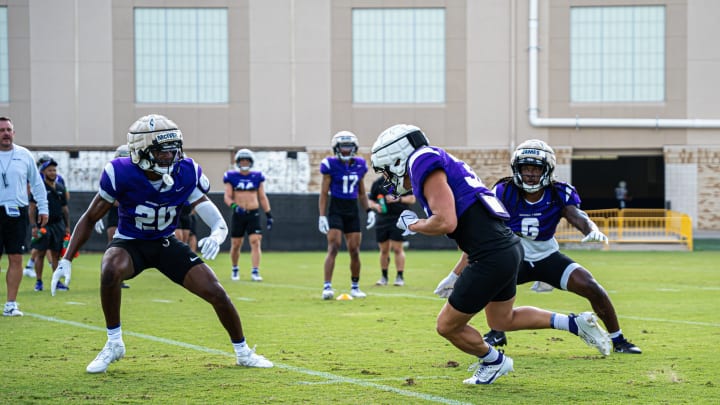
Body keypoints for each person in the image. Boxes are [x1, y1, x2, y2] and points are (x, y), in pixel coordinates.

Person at [370, 124, 612, 385]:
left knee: (447, 326)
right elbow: (469, 223)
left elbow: (446, 222)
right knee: (502, 319)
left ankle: (494, 361)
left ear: (396, 157)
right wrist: (455, 273)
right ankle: (575, 323)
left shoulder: (421, 161)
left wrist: (412, 224)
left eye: (385, 169)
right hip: (506, 248)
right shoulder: (436, 159)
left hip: (490, 256)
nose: (386, 176)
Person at [52, 114, 273, 373]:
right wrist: (66, 259)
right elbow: (89, 217)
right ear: (141, 151)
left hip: (166, 243)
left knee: (216, 292)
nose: (171, 156)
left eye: (173, 150)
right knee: (110, 268)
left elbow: (214, 217)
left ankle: (243, 352)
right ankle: (113, 343)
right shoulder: (121, 172)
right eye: (163, 151)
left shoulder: (186, 171)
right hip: (130, 243)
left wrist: (216, 234)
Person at [479, 140, 641, 354]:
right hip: (514, 256)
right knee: (490, 282)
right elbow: (490, 223)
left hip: (547, 256)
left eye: (535, 168)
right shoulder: (503, 190)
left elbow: (576, 215)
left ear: (547, 170)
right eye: (525, 168)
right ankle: (497, 329)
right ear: (516, 169)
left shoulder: (559, 191)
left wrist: (590, 229)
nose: (529, 174)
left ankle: (618, 339)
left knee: (591, 285)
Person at [0, 116, 49, 316]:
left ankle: (11, 304)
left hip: (16, 212)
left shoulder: (24, 155)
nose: (5, 133)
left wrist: (43, 208)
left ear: (13, 133)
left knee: (16, 258)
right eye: (2, 130)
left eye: (8, 130)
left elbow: (37, 183)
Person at [318, 131, 375, 300]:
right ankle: (327, 286)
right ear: (336, 148)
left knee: (355, 250)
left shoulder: (359, 164)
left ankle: (355, 286)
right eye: (343, 147)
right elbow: (323, 193)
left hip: (352, 210)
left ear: (354, 148)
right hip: (336, 208)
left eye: (349, 147)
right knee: (333, 246)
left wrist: (369, 210)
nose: (345, 150)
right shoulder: (330, 165)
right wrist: (322, 216)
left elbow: (362, 192)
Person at [223, 148, 273, 282]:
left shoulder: (257, 176)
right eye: (242, 160)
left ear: (251, 162)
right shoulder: (231, 176)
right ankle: (235, 269)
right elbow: (227, 197)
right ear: (238, 162)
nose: (244, 163)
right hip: (238, 214)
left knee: (255, 241)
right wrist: (235, 207)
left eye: (247, 160)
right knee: (236, 244)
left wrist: (268, 214)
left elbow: (262, 196)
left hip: (253, 213)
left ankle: (255, 271)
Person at [23, 153, 70, 278]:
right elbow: (32, 206)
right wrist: (34, 225)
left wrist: (67, 226)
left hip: (57, 224)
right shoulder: (38, 184)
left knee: (56, 253)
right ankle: (38, 280)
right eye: (49, 170)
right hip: (43, 224)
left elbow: (65, 205)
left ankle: (56, 280)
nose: (53, 172)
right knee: (41, 251)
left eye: (54, 169)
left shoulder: (60, 185)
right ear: (43, 171)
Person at [94, 145, 134, 289]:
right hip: (115, 214)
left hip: (128, 215)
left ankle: (119, 276)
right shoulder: (112, 173)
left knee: (126, 248)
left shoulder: (135, 174)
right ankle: (107, 274)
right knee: (113, 245)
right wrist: (97, 216)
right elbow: (105, 198)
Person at [368, 175, 415, 286]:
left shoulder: (401, 181)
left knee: (398, 248)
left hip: (398, 218)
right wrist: (375, 206)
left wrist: (398, 199)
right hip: (382, 219)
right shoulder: (378, 183)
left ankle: (400, 277)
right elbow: (370, 200)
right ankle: (384, 277)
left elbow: (412, 199)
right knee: (384, 250)